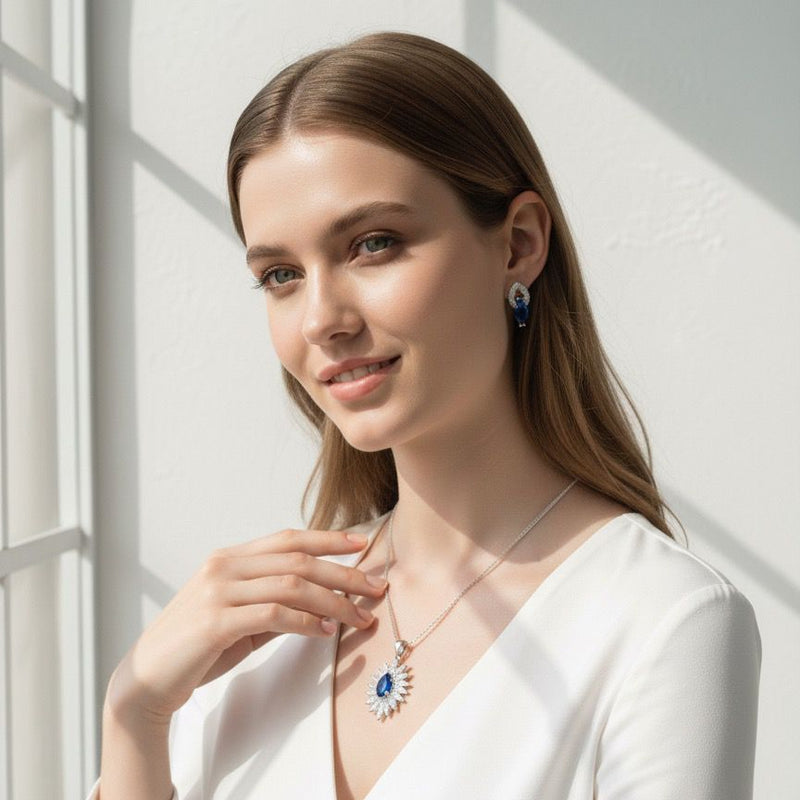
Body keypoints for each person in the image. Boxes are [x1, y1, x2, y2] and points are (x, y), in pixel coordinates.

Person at [89, 31, 761, 800]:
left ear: (518, 243)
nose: (321, 319)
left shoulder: (663, 623)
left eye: (373, 244)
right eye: (280, 274)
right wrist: (135, 717)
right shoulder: (254, 629)